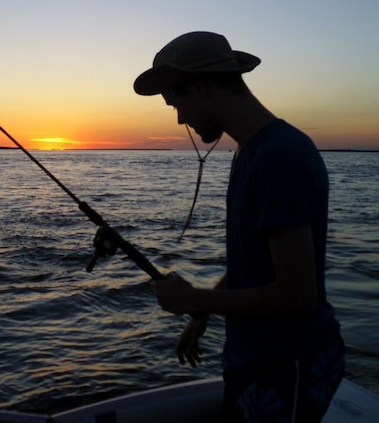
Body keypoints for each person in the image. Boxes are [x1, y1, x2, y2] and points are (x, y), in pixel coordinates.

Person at [133, 32, 344, 422]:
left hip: (288, 361)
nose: (180, 118)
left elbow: (298, 296)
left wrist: (197, 300)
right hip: (253, 358)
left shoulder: (280, 156)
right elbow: (254, 262)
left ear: (199, 87)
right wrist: (204, 312)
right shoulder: (250, 153)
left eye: (176, 102)